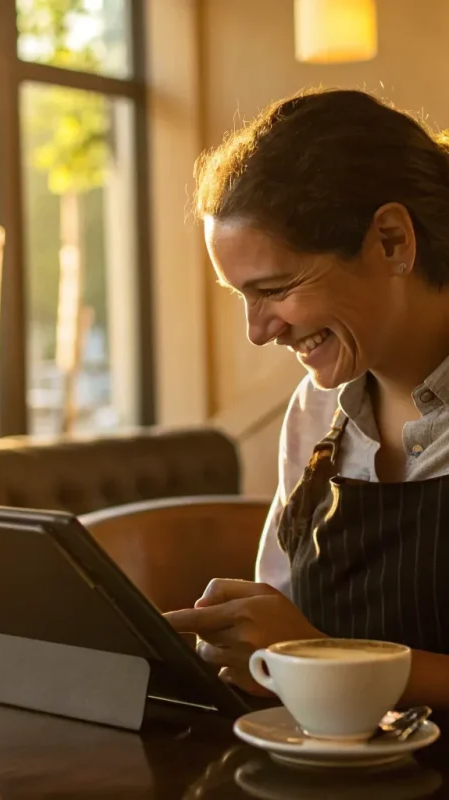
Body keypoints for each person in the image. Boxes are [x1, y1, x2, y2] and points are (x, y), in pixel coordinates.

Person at [165, 88, 449, 710]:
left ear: (393, 241)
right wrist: (244, 640)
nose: (259, 329)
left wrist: (320, 659)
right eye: (242, 295)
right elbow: (285, 620)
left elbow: (305, 647)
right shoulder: (317, 412)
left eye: (276, 288)